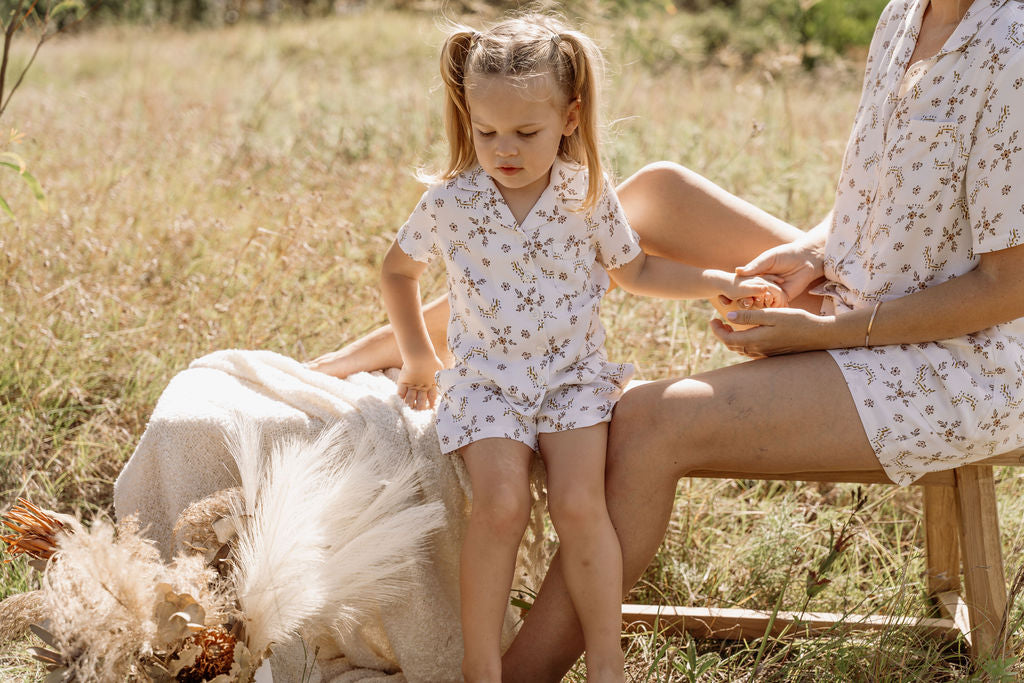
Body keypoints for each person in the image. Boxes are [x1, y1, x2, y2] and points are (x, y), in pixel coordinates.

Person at [310, 0, 1024, 679]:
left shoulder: (1010, 44)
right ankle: (400, 347)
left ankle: (514, 676)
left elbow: (1007, 287)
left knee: (649, 418)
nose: (507, 147)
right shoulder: (905, 14)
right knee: (648, 195)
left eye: (526, 133)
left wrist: (831, 329)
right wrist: (811, 254)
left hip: (958, 355)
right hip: (866, 283)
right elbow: (875, 195)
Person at [376, 14, 783, 683]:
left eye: (526, 132)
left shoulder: (585, 193)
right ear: (467, 116)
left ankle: (606, 661)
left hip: (573, 381)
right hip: (487, 385)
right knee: (500, 505)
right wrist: (419, 356)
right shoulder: (453, 200)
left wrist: (714, 281)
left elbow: (637, 270)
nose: (504, 148)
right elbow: (398, 271)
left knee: (578, 504)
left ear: (569, 117)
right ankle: (483, 666)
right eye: (487, 132)